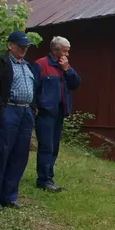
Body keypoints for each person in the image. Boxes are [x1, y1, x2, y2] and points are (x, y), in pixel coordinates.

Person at [0, 30, 40, 211]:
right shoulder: (1, 62)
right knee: (0, 154)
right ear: (10, 45)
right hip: (9, 110)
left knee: (19, 156)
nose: (23, 49)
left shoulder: (28, 66)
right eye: (20, 46)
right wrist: (2, 111)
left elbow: (33, 88)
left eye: (26, 46)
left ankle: (9, 196)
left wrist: (33, 107)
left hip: (25, 112)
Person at [34, 35, 81, 193]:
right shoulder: (41, 64)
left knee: (54, 147)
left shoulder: (64, 66)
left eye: (68, 52)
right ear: (55, 50)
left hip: (60, 112)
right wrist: (35, 107)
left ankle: (49, 177)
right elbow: (34, 88)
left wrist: (67, 69)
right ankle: (43, 180)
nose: (67, 55)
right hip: (45, 112)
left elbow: (76, 84)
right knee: (46, 146)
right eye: (65, 51)